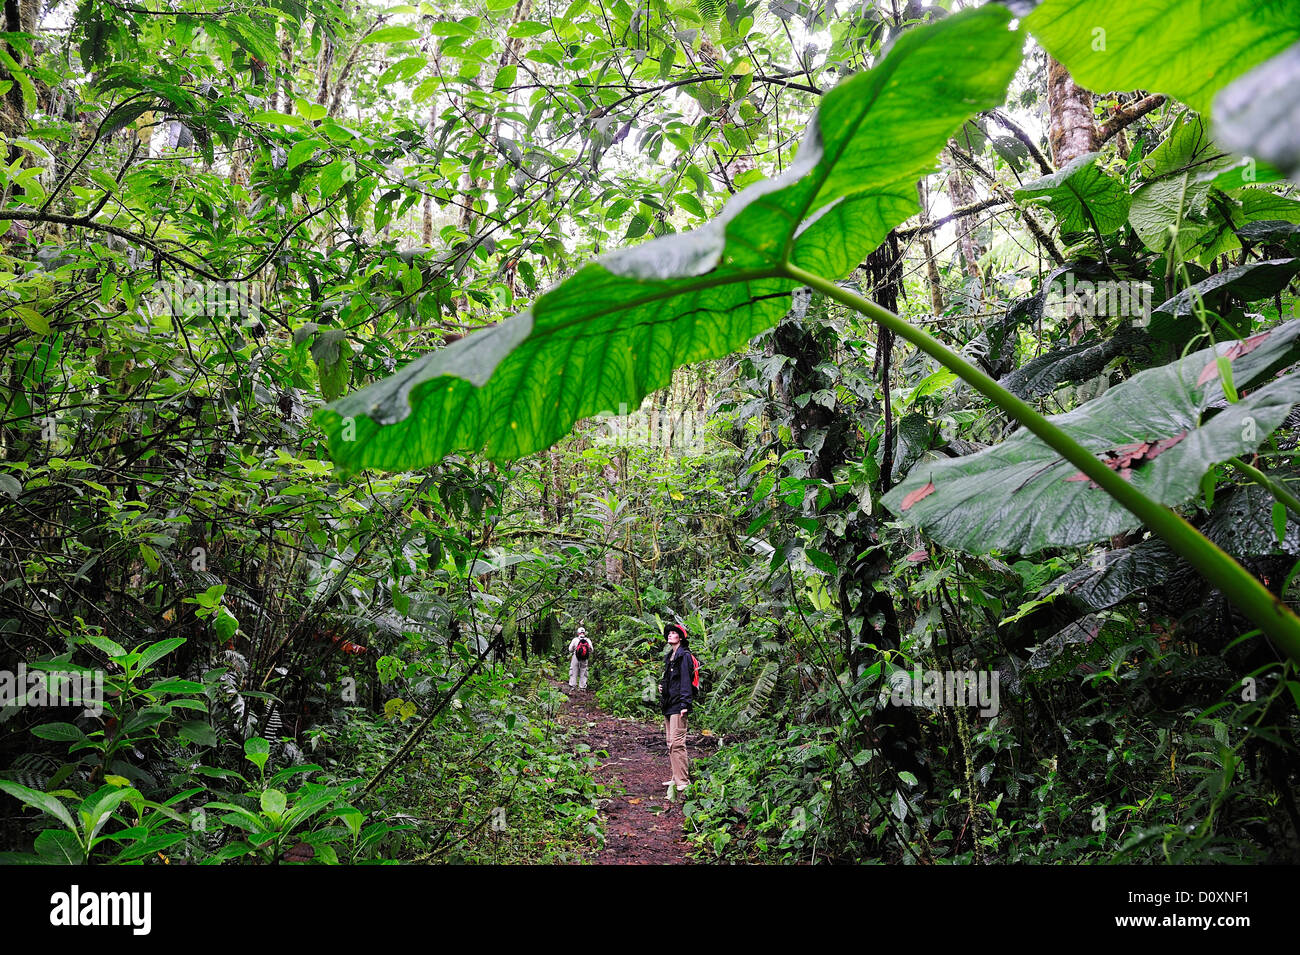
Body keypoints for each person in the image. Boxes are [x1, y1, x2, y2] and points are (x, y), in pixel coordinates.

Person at [658, 622, 694, 794]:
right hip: (669, 704)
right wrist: (662, 688)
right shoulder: (670, 656)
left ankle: (683, 781)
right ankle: (676, 776)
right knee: (670, 742)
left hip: (679, 705)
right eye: (669, 633)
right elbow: (672, 681)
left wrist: (685, 704)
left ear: (680, 637)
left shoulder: (684, 656)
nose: (670, 635)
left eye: (674, 633)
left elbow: (686, 680)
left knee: (678, 743)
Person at [567, 626, 593, 692]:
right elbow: (591, 650)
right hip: (585, 658)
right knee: (584, 672)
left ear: (578, 633)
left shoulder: (575, 640)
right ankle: (582, 687)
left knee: (573, 670)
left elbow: (570, 649)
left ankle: (573, 686)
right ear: (584, 633)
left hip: (576, 657)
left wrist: (575, 650)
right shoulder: (588, 640)